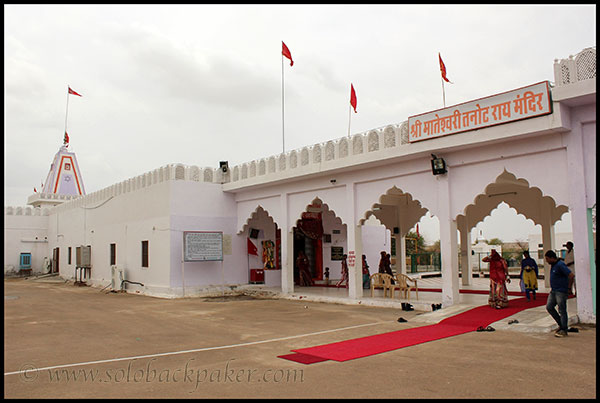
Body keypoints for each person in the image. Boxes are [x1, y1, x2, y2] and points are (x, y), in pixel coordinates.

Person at [544, 250, 575, 337]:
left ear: (552, 258)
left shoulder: (560, 265)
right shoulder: (553, 265)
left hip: (561, 291)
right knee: (549, 307)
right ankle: (561, 325)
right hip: (553, 290)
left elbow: (571, 275)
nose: (546, 261)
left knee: (562, 310)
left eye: (547, 259)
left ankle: (564, 329)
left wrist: (569, 288)